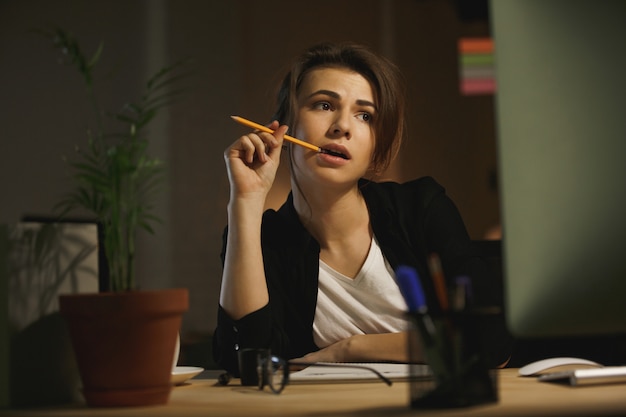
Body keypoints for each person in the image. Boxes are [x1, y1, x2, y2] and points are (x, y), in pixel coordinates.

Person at [213, 41, 509, 376]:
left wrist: (348, 349)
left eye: (365, 115)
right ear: (281, 128)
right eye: (324, 105)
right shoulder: (262, 238)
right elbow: (246, 363)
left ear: (376, 144)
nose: (343, 126)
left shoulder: (421, 208)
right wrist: (246, 200)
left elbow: (490, 341)